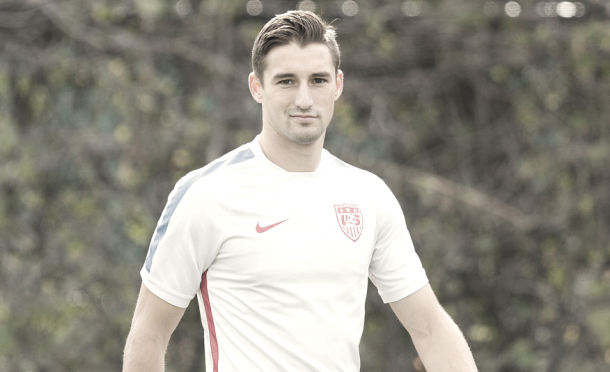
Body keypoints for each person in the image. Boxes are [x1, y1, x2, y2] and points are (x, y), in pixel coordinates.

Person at [122, 10, 477, 372]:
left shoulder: (369, 196)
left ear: (338, 84)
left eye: (318, 80)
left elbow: (430, 329)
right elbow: (149, 334)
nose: (304, 99)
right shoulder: (207, 194)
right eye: (287, 81)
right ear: (257, 87)